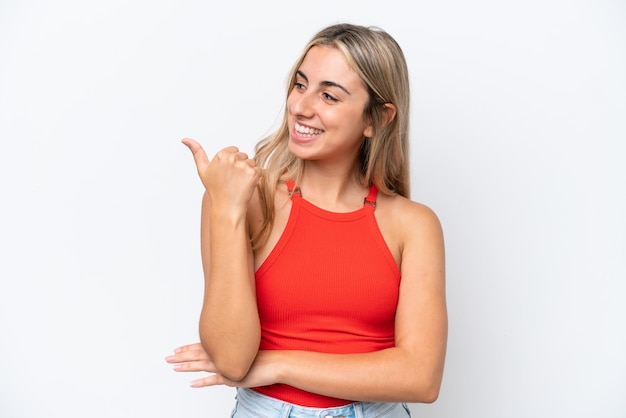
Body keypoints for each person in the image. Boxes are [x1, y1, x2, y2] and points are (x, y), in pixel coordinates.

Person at [165, 22, 447, 418]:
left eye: (328, 95)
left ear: (377, 120)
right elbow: (231, 360)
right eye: (300, 85)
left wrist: (278, 364)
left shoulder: (413, 225)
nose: (300, 106)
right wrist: (226, 210)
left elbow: (421, 378)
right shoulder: (243, 199)